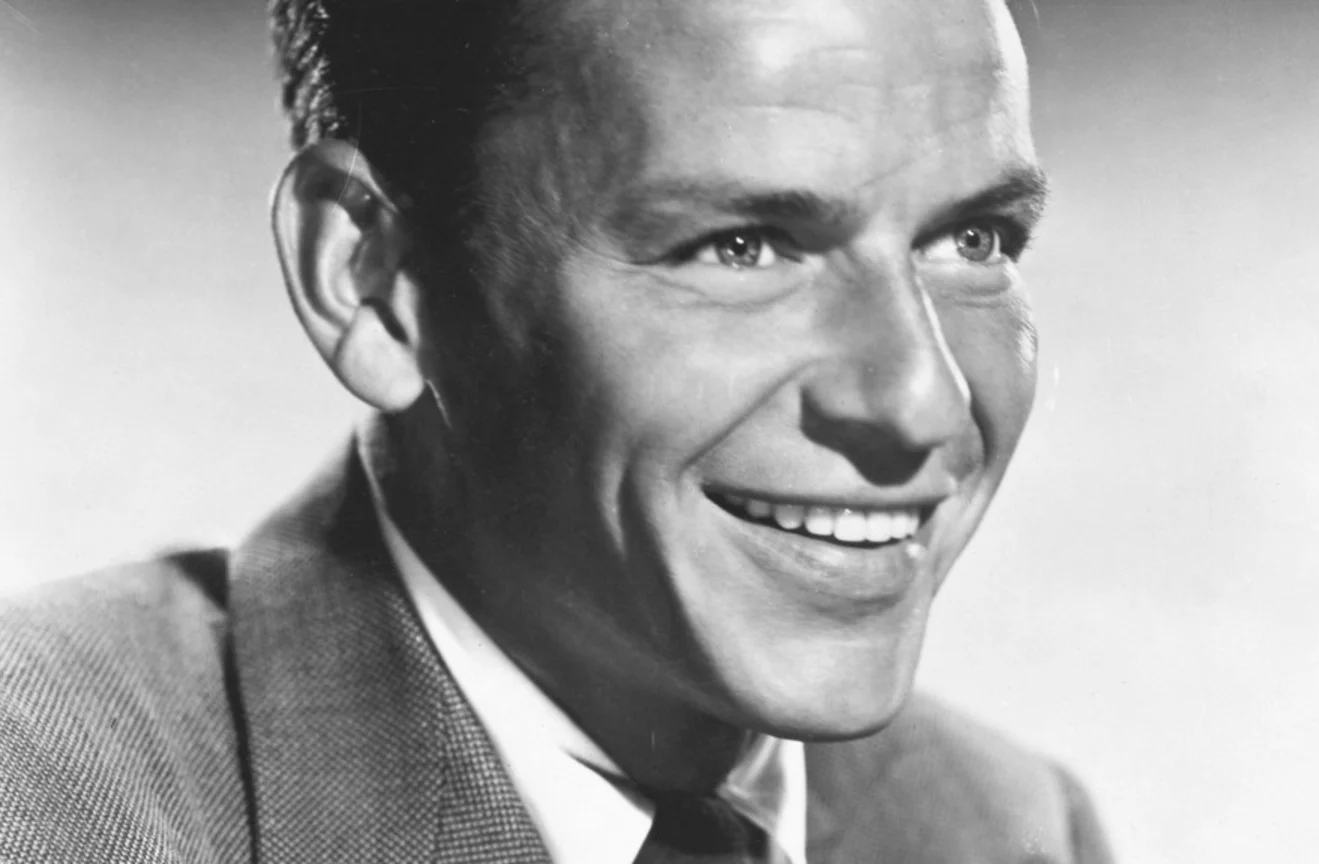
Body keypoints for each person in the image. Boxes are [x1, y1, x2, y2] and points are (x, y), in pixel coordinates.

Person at [0, 0, 1112, 860]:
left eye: (975, 239)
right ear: (374, 281)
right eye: (741, 246)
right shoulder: (40, 800)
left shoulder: (1009, 827)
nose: (924, 403)